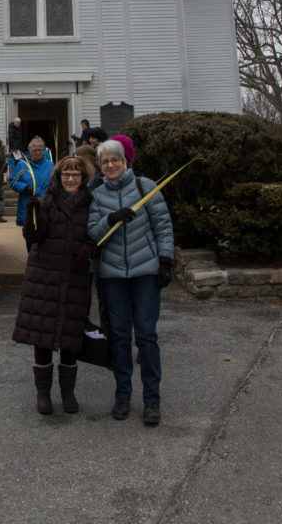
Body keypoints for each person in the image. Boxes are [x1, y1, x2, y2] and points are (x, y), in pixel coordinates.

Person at [87, 139, 173, 426]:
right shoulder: (97, 195)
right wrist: (110, 219)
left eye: (115, 160)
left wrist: (165, 260)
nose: (110, 165)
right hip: (113, 277)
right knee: (120, 336)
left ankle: (152, 399)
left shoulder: (145, 187)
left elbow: (162, 224)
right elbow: (92, 233)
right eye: (105, 162)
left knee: (147, 335)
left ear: (125, 162)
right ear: (100, 166)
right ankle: (122, 394)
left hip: (145, 273)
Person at [13, 155, 94, 414]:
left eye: (76, 175)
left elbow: (97, 234)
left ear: (83, 179)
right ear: (59, 177)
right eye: (66, 175)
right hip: (44, 277)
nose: (71, 179)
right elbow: (33, 236)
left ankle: (68, 393)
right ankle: (43, 394)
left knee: (71, 338)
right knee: (42, 337)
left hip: (74, 277)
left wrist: (90, 249)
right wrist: (32, 214)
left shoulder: (91, 204)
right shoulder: (46, 201)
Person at [7, 136, 52, 229]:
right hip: (28, 205)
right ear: (30, 150)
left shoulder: (50, 165)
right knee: (30, 236)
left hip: (45, 205)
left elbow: (56, 182)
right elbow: (13, 182)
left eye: (40, 150)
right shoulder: (22, 165)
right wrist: (25, 187)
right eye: (35, 150)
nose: (38, 152)